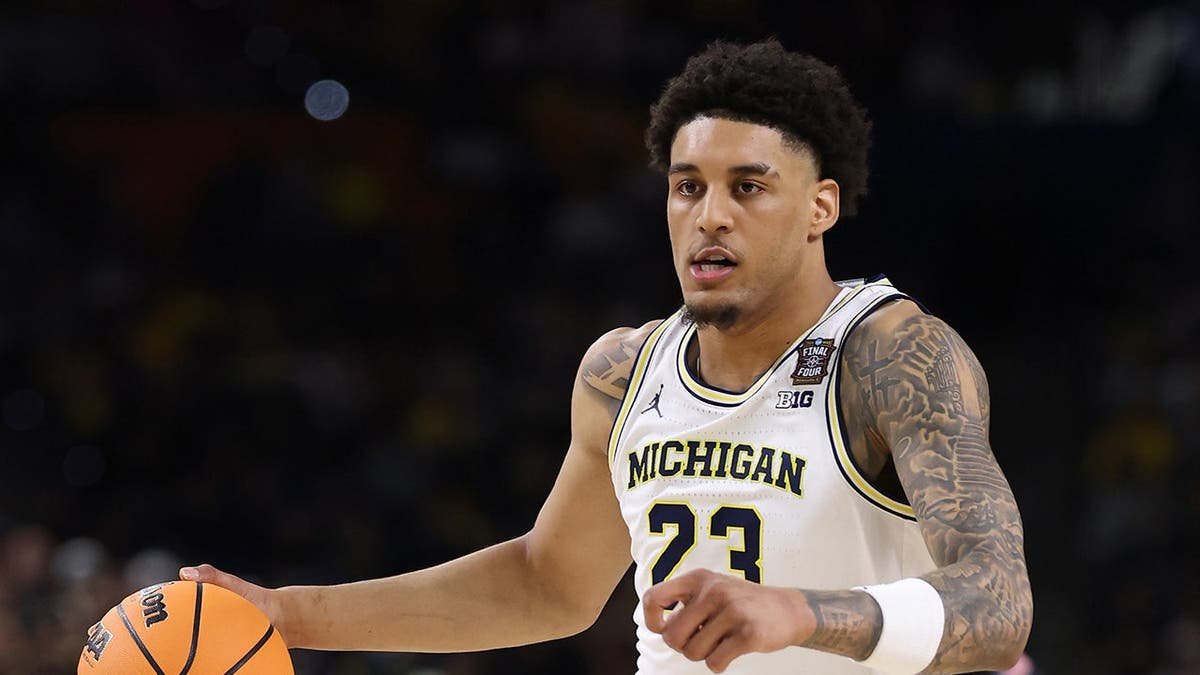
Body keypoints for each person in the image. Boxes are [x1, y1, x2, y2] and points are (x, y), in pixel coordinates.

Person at [182, 39, 1032, 674]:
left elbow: (998, 604)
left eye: (749, 186)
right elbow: (543, 584)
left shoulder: (891, 353)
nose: (710, 216)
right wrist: (285, 615)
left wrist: (797, 612)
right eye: (688, 185)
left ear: (820, 207)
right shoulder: (622, 373)